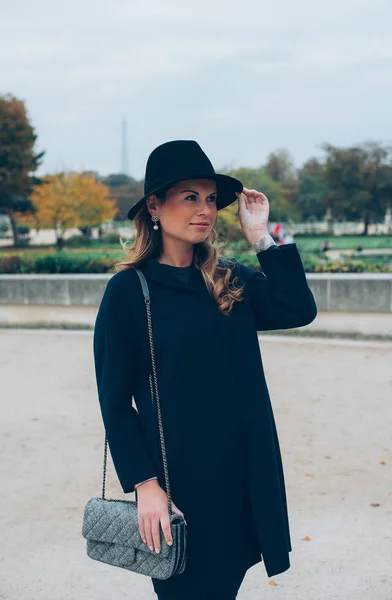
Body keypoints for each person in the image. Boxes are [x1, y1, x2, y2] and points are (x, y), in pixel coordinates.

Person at [93, 140, 318, 600]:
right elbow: (115, 404)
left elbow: (298, 307)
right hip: (178, 487)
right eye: (190, 197)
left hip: (241, 477)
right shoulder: (127, 292)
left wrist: (260, 237)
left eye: (212, 198)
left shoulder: (229, 278)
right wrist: (146, 486)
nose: (206, 210)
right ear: (154, 206)